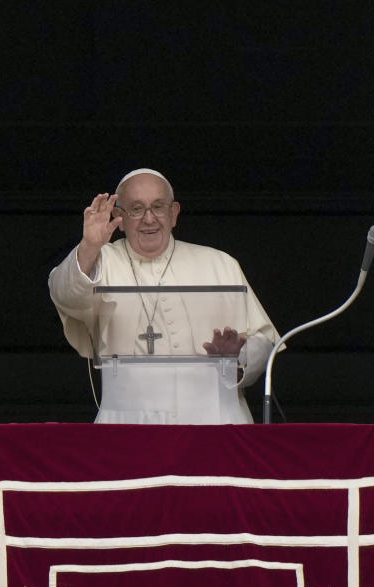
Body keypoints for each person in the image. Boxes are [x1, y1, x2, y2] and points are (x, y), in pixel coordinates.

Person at [48, 168, 280, 424]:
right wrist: (90, 246)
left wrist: (239, 356)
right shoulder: (100, 261)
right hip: (128, 422)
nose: (149, 219)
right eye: (136, 209)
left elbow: (266, 340)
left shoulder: (219, 263)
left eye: (158, 207)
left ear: (174, 213)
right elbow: (65, 295)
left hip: (215, 420)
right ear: (119, 217)